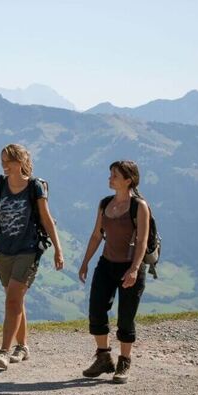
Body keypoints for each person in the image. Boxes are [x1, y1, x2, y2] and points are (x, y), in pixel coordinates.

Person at [0, 144, 64, 369]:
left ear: (20, 161)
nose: (4, 165)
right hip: (3, 250)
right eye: (2, 160)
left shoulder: (35, 187)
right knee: (16, 300)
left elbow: (46, 218)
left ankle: (4, 350)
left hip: (28, 250)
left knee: (12, 299)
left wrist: (58, 249)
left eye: (9, 161)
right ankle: (22, 346)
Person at [77, 160, 151, 383]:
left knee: (126, 317)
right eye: (110, 174)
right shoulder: (105, 203)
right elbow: (96, 235)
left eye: (115, 175)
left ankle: (124, 362)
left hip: (129, 267)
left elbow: (142, 240)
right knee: (96, 310)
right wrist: (85, 262)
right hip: (106, 264)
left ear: (128, 180)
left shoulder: (140, 206)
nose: (110, 178)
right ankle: (103, 358)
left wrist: (135, 269)